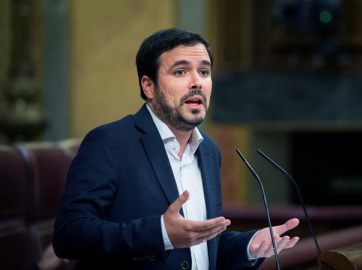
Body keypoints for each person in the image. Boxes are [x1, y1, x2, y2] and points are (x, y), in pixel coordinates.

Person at [52, 28, 300, 270]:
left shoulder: (209, 151)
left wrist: (248, 246)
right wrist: (160, 234)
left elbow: (198, 250)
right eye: (181, 72)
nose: (197, 83)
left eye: (204, 71)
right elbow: (70, 235)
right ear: (149, 86)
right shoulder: (110, 142)